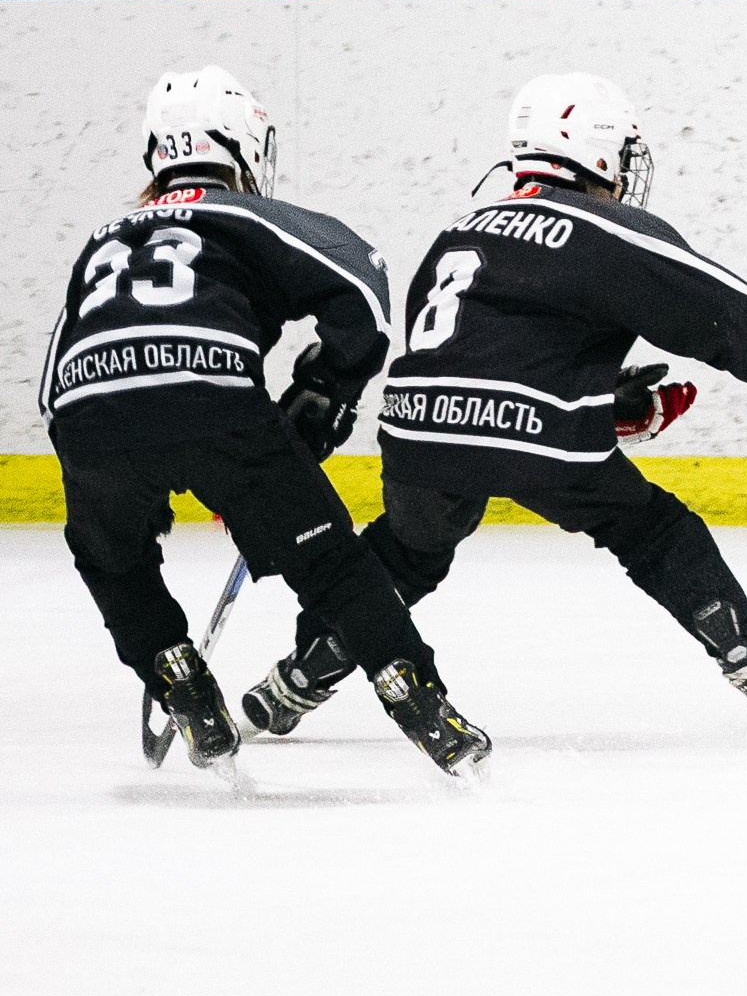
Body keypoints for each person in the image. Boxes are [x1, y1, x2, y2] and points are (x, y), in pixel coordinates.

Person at [237, 73, 747, 739]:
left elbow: (476, 355)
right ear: (595, 151)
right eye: (621, 153)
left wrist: (598, 401)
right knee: (652, 529)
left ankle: (300, 675)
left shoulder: (461, 230)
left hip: (415, 434)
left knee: (407, 550)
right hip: (534, 435)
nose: (626, 172)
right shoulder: (596, 225)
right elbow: (702, 302)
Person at [39, 65, 490, 776]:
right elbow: (363, 285)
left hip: (88, 414)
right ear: (241, 145)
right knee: (333, 566)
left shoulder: (103, 238)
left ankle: (178, 677)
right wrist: (327, 387)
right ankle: (418, 699)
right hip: (215, 403)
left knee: (111, 557)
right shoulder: (247, 215)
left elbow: (53, 381)